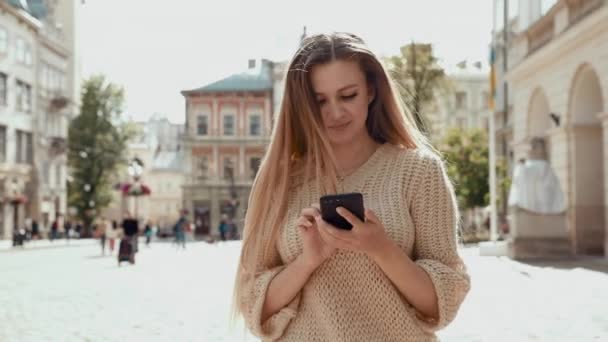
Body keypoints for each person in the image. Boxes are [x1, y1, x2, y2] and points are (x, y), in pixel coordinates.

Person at [232, 33, 470, 341]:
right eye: (319, 101)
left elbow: (442, 302)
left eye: (348, 95)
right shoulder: (281, 182)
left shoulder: (419, 171)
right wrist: (307, 261)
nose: (335, 113)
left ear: (371, 90)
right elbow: (254, 304)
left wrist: (381, 248)